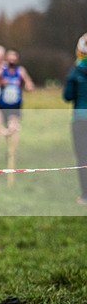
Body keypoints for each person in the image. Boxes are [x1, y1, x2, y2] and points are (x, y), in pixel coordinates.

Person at [63, 33, 87, 204]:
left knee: (82, 158)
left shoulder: (75, 71)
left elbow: (67, 95)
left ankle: (85, 195)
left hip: (80, 119)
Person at [0, 49, 35, 128]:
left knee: (14, 126)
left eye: (13, 59)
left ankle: (13, 140)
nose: (11, 61)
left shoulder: (20, 71)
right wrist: (1, 82)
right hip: (3, 104)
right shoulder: (1, 70)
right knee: (4, 126)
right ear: (6, 59)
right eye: (9, 59)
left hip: (15, 104)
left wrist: (28, 86)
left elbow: (29, 84)